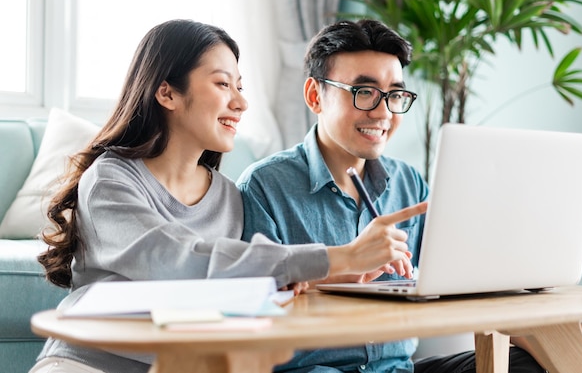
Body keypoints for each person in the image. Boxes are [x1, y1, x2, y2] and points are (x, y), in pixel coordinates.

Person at [30, 19, 427, 373]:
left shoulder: (226, 196)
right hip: (90, 364)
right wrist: (336, 257)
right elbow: (176, 259)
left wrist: (302, 281)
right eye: (223, 84)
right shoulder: (110, 180)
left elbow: (241, 286)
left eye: (240, 86)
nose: (241, 102)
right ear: (167, 93)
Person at [237, 19, 546, 373]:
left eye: (395, 95)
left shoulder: (408, 183)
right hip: (314, 370)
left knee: (526, 364)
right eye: (364, 92)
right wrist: (344, 266)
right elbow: (253, 304)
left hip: (397, 368)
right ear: (314, 96)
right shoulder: (264, 186)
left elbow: (452, 273)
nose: (383, 112)